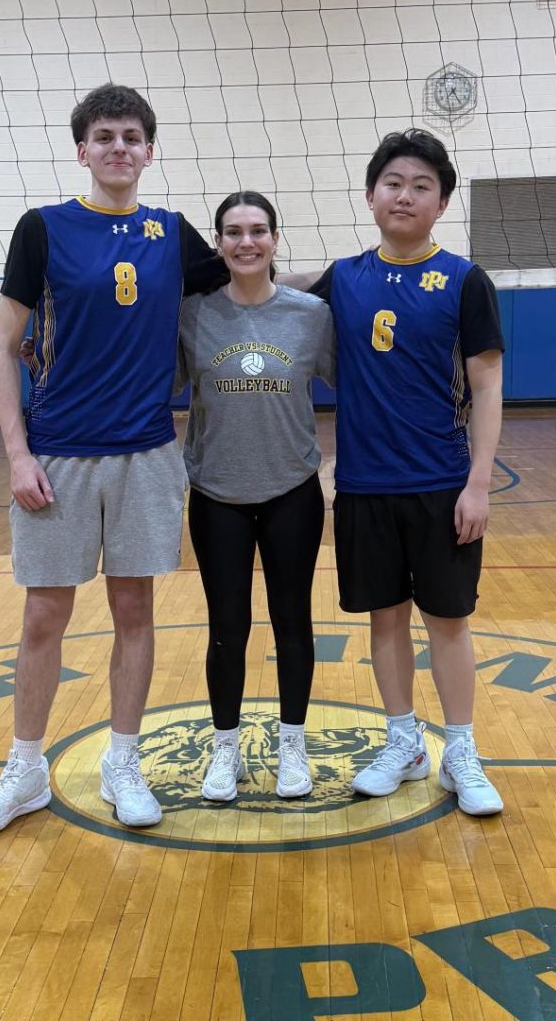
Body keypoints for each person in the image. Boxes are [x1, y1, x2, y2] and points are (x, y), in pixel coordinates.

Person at [0, 83, 226, 836]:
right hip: (58, 454)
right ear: (82, 149)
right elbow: (2, 345)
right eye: (103, 135)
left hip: (145, 454)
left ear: (148, 150)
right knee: (44, 614)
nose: (117, 147)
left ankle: (122, 760)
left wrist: (351, 276)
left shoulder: (172, 234)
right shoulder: (42, 229)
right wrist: (17, 455)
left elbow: (251, 282)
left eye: (131, 135)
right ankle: (24, 769)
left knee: (133, 609)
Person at [305, 128, 506, 817]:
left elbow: (486, 388)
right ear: (369, 196)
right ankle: (403, 742)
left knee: (447, 620)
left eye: (421, 185)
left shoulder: (463, 281)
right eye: (393, 182)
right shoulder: (343, 279)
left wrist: (478, 482)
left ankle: (461, 752)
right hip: (363, 485)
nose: (405, 195)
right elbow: (265, 300)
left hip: (441, 484)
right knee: (384, 621)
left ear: (441, 203)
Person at [178, 191, 335, 802]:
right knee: (227, 627)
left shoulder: (310, 315)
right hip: (216, 493)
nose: (247, 242)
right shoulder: (191, 315)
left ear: (274, 239)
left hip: (291, 490)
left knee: (293, 623)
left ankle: (292, 745)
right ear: (218, 244)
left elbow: (363, 377)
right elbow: (147, 377)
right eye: (234, 232)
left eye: (258, 231)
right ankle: (225, 750)